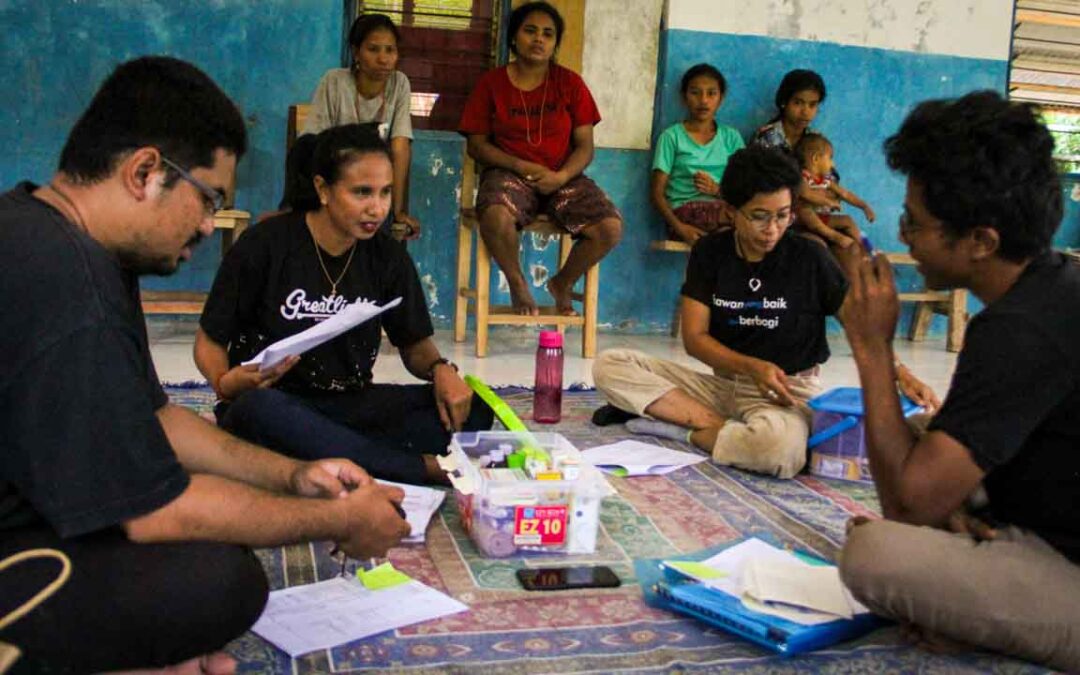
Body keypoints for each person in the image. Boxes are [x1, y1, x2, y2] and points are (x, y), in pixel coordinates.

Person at [0, 57, 410, 674]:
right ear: (144, 171)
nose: (206, 223)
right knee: (219, 581)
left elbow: (158, 418)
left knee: (219, 541)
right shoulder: (66, 281)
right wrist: (338, 517)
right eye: (208, 197)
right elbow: (153, 514)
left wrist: (294, 477)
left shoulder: (63, 238)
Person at [837, 91, 1080, 671]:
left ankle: (994, 621)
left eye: (915, 224)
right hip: (1047, 508)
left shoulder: (1021, 332)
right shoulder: (1052, 284)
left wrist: (873, 349)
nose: (907, 239)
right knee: (921, 430)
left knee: (872, 553)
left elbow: (907, 508)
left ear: (981, 241)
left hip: (1067, 563)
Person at [592, 146, 937, 478]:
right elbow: (695, 338)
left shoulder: (810, 257)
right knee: (610, 365)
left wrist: (900, 373)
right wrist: (750, 367)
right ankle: (719, 427)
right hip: (724, 386)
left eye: (783, 215)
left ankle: (686, 430)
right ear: (730, 211)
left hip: (786, 393)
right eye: (759, 216)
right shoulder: (710, 253)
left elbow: (860, 327)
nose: (772, 229)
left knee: (778, 451)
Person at [196, 124, 494, 487]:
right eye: (362, 192)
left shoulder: (388, 257)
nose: (377, 208)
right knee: (258, 412)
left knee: (473, 410)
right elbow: (208, 342)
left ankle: (326, 456)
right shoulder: (264, 246)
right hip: (272, 402)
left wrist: (441, 370)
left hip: (350, 404)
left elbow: (414, 345)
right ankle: (419, 469)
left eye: (385, 193)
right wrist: (225, 383)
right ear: (323, 189)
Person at [458, 1, 623, 316]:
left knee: (610, 228)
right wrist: (519, 165)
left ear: (555, 43)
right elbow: (476, 147)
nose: (539, 39)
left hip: (563, 178)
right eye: (530, 31)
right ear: (514, 37)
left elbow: (585, 147)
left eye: (548, 34)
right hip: (509, 175)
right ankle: (518, 284)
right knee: (494, 215)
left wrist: (561, 177)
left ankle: (562, 282)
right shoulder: (491, 85)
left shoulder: (570, 84)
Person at [303, 13, 421, 239]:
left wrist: (397, 211)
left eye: (390, 50)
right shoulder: (334, 82)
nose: (384, 59)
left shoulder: (399, 84)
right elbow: (313, 145)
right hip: (337, 187)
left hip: (374, 190)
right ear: (356, 52)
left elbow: (400, 146)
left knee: (383, 237)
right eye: (374, 49)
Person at [651, 63, 744, 245]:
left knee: (747, 224)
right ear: (684, 97)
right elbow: (656, 194)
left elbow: (744, 187)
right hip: (685, 215)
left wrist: (717, 190)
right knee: (730, 235)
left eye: (711, 93)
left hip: (724, 212)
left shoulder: (731, 137)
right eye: (695, 92)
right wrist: (679, 227)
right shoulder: (672, 137)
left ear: (721, 98)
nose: (703, 100)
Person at [793, 133, 874, 248]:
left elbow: (845, 194)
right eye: (830, 158)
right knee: (805, 210)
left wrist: (864, 206)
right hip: (801, 221)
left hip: (821, 218)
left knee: (847, 220)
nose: (833, 164)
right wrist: (828, 202)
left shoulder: (826, 180)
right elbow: (806, 194)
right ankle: (832, 235)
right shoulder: (802, 176)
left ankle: (868, 249)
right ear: (816, 159)